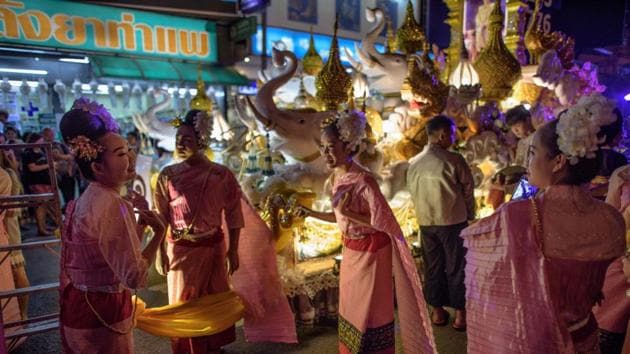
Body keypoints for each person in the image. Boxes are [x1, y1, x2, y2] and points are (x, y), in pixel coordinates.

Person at [461, 94, 626, 353]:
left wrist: (497, 201)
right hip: (583, 337)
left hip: (532, 340)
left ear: (559, 161)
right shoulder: (611, 220)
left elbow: (478, 257)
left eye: (533, 153)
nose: (528, 164)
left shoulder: (517, 215)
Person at [298, 110, 436, 354]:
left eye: (331, 147)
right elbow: (338, 216)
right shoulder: (336, 177)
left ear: (348, 145)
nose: (325, 153)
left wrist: (348, 213)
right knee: (351, 307)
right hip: (352, 250)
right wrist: (309, 213)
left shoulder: (363, 180)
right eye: (323, 147)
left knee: (372, 310)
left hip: (373, 251)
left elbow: (382, 221)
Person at [58, 97, 166, 354]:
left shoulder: (89, 197)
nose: (131, 156)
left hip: (79, 306)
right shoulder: (113, 204)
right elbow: (134, 276)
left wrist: (138, 226)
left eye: (128, 149)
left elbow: (110, 254)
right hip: (103, 312)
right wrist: (160, 233)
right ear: (97, 166)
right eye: (121, 154)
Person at [153, 110, 243, 354]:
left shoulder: (221, 174)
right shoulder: (167, 175)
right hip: (182, 249)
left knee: (213, 299)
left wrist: (233, 250)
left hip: (214, 247)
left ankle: (213, 346)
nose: (180, 144)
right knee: (185, 303)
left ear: (202, 141)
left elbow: (234, 215)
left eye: (187, 140)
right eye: (178, 139)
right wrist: (160, 252)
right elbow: (160, 219)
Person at [406, 115, 475, 331]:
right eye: (452, 134)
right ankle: (460, 315)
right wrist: (470, 215)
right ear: (443, 134)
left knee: (433, 266)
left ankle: (437, 311)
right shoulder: (454, 160)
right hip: (453, 221)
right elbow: (468, 190)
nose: (454, 138)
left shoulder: (414, 163)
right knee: (457, 266)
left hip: (426, 223)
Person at [21, 133, 56, 236]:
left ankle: (43, 226)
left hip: (45, 181)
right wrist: (49, 165)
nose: (42, 142)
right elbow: (32, 168)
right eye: (40, 140)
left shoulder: (41, 151)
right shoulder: (28, 153)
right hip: (36, 182)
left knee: (44, 206)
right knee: (40, 206)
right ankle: (41, 228)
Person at [43, 127, 77, 210]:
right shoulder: (41, 146)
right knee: (56, 199)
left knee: (69, 197)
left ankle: (68, 212)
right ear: (44, 136)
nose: (51, 136)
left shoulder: (59, 144)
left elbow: (71, 157)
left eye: (52, 134)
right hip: (51, 176)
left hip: (65, 174)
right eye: (49, 135)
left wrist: (59, 156)